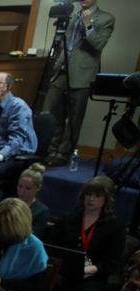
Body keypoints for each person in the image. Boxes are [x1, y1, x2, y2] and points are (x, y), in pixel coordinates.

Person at [43, 0, 115, 167]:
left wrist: (88, 23)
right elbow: (65, 41)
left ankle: (63, 154)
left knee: (74, 118)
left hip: (82, 74)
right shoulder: (72, 15)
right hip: (61, 70)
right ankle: (50, 150)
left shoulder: (106, 18)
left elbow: (98, 43)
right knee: (51, 112)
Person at [49, 175, 125, 291]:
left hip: (92, 277)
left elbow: (112, 263)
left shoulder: (115, 227)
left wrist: (88, 270)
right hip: (63, 271)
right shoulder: (68, 219)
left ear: (107, 199)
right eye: (88, 194)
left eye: (97, 195)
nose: (91, 199)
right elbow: (52, 246)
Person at [16, 163, 50, 239]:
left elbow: (33, 239)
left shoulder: (42, 211)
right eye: (20, 186)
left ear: (37, 188)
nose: (22, 192)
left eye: (28, 188)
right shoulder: (9, 203)